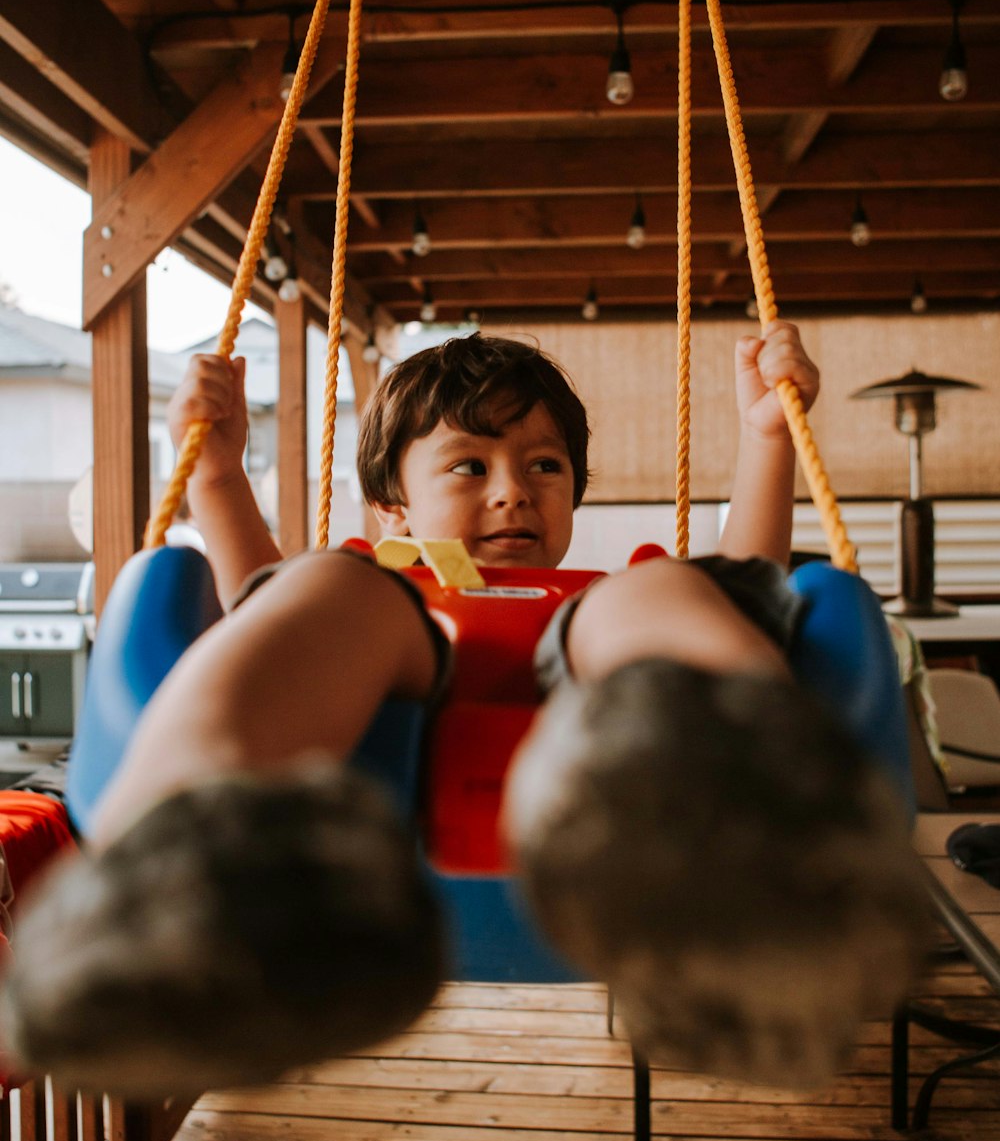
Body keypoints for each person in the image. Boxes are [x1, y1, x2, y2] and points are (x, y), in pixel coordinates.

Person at [0, 327, 927, 1098]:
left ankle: (751, 807)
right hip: (402, 667)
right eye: (469, 465)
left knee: (667, 590)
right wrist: (215, 477)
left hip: (614, 713)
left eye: (544, 465)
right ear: (394, 506)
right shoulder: (385, 575)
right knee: (324, 584)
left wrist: (768, 438)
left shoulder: (604, 593)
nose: (514, 488)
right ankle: (166, 863)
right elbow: (259, 615)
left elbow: (753, 582)